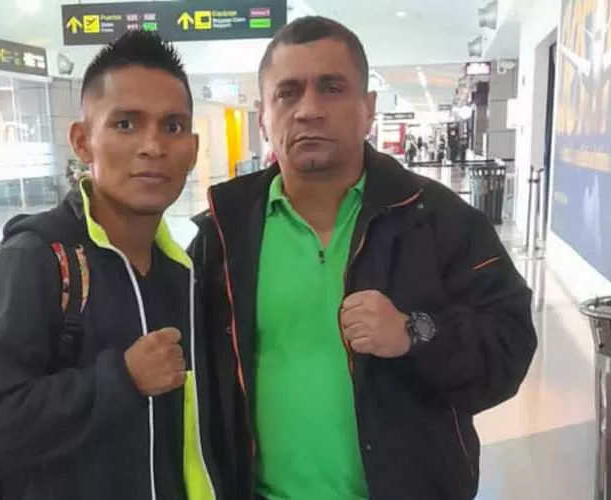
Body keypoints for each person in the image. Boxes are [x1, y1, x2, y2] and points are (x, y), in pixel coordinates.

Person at [190, 16, 537, 500]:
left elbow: (510, 347)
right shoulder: (221, 235)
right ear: (264, 115)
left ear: (367, 108)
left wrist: (415, 332)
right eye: (287, 93)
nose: (308, 110)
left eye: (331, 88)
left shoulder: (439, 221)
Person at [0, 31, 217, 499]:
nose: (153, 146)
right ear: (82, 141)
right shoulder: (36, 260)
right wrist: (121, 379)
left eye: (172, 127)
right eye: (125, 125)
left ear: (193, 149)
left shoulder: (184, 271)